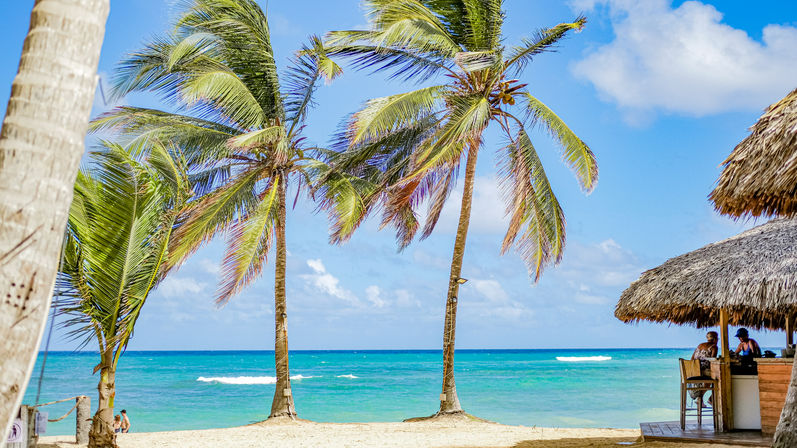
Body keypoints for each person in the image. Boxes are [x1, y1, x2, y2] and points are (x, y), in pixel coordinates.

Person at [689, 331, 718, 403]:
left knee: (710, 378)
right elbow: (713, 360)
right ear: (715, 339)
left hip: (695, 371)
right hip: (704, 371)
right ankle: (709, 399)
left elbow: (692, 358)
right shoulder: (714, 346)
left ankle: (700, 400)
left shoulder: (700, 345)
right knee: (718, 379)